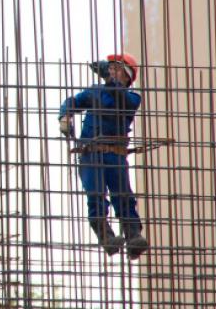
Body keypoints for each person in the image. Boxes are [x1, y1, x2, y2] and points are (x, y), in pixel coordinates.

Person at [58, 53, 149, 260]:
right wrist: (65, 115)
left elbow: (120, 97)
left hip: (115, 155)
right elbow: (73, 101)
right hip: (92, 155)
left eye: (116, 70)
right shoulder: (95, 92)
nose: (111, 72)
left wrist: (109, 79)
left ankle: (133, 236)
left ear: (127, 77)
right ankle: (106, 237)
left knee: (123, 196)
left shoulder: (132, 98)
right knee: (96, 196)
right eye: (110, 69)